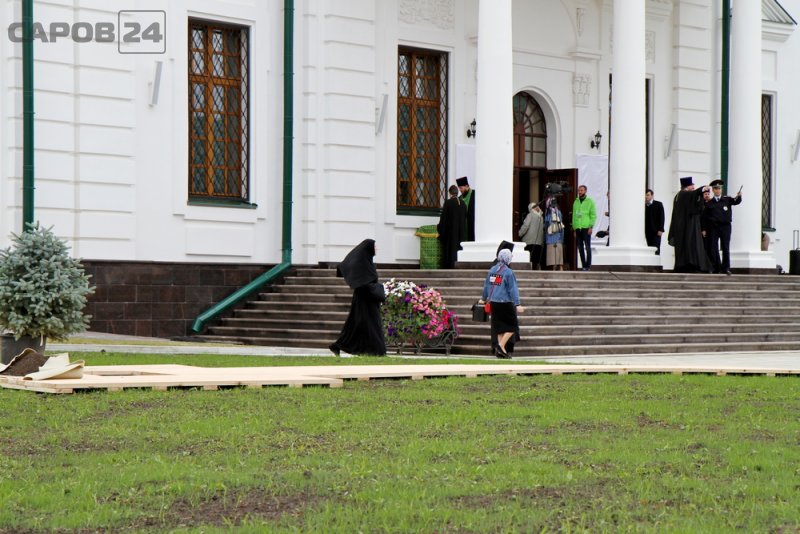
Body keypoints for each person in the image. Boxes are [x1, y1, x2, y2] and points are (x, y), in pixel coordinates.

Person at [329, 239, 386, 356]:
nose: (377, 249)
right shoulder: (363, 264)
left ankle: (339, 345)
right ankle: (378, 351)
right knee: (371, 324)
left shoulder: (367, 262)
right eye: (374, 246)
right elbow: (364, 283)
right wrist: (378, 288)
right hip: (365, 300)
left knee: (356, 324)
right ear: (368, 249)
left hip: (367, 299)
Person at [479, 248, 524, 359]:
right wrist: (517, 304)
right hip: (505, 303)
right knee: (513, 327)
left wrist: (483, 298)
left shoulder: (492, 270)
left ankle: (501, 351)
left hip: (493, 302)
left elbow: (487, 285)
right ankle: (500, 346)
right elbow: (513, 289)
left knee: (499, 328)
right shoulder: (508, 272)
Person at [668, 176, 711, 273]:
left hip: (683, 225)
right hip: (686, 226)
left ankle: (685, 265)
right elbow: (693, 195)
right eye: (692, 185)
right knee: (690, 245)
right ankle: (690, 265)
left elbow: (694, 205)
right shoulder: (684, 194)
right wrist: (702, 189)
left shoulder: (680, 195)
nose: (693, 187)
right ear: (687, 186)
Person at [702, 179, 742, 275]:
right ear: (713, 190)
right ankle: (713, 267)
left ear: (721, 189)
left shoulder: (727, 199)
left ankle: (725, 268)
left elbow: (736, 201)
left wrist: (739, 196)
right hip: (713, 227)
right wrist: (704, 229)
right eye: (716, 188)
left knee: (725, 247)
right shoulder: (709, 203)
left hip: (725, 227)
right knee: (713, 248)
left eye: (719, 188)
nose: (718, 190)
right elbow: (704, 217)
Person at [437, 184, 466, 269]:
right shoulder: (463, 204)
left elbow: (444, 219)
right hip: (460, 234)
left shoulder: (448, 203)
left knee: (450, 252)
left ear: (450, 193)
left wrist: (439, 228)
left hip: (450, 234)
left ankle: (450, 266)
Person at [572, 185, 596, 270]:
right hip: (578, 228)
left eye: (581, 190)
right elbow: (574, 216)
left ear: (585, 191)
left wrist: (591, 226)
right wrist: (574, 228)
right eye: (579, 190)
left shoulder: (590, 201)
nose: (580, 192)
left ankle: (588, 265)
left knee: (587, 247)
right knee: (580, 248)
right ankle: (584, 266)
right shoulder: (576, 201)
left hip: (586, 227)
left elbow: (593, 215)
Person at [518, 202, 544, 269]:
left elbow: (525, 226)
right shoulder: (541, 217)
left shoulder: (530, 215)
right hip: (538, 242)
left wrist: (519, 234)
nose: (537, 207)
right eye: (536, 206)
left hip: (529, 241)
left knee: (529, 258)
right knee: (535, 259)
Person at [544, 198, 565, 270]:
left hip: (551, 236)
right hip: (558, 236)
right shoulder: (558, 212)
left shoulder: (548, 213)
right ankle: (560, 267)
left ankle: (555, 267)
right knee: (558, 251)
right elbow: (561, 224)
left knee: (553, 252)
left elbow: (546, 225)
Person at [644, 189, 665, 255]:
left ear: (652, 195)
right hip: (647, 231)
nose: (646, 197)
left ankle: (657, 261)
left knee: (656, 248)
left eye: (648, 195)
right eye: (645, 195)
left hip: (656, 231)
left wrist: (661, 229)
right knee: (648, 248)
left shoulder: (658, 204)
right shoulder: (643, 206)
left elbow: (662, 217)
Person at [456, 176, 475, 242]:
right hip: (463, 228)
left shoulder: (475, 194)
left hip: (472, 227)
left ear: (467, 186)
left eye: (461, 188)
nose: (460, 190)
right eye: (459, 188)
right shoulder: (459, 198)